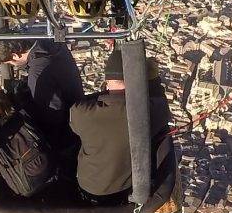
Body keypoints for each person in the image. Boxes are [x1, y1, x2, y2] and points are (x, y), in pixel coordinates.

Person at [69, 50, 172, 202]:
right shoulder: (150, 112)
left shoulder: (81, 113)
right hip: (126, 191)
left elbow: (83, 104)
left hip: (89, 188)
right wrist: (153, 81)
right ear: (139, 79)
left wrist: (107, 93)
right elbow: (162, 104)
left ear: (107, 79)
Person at [0, 39, 83, 147]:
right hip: (78, 111)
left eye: (10, 63)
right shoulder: (50, 44)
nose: (14, 66)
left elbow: (52, 115)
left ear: (15, 55)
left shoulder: (37, 73)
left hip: (68, 134)